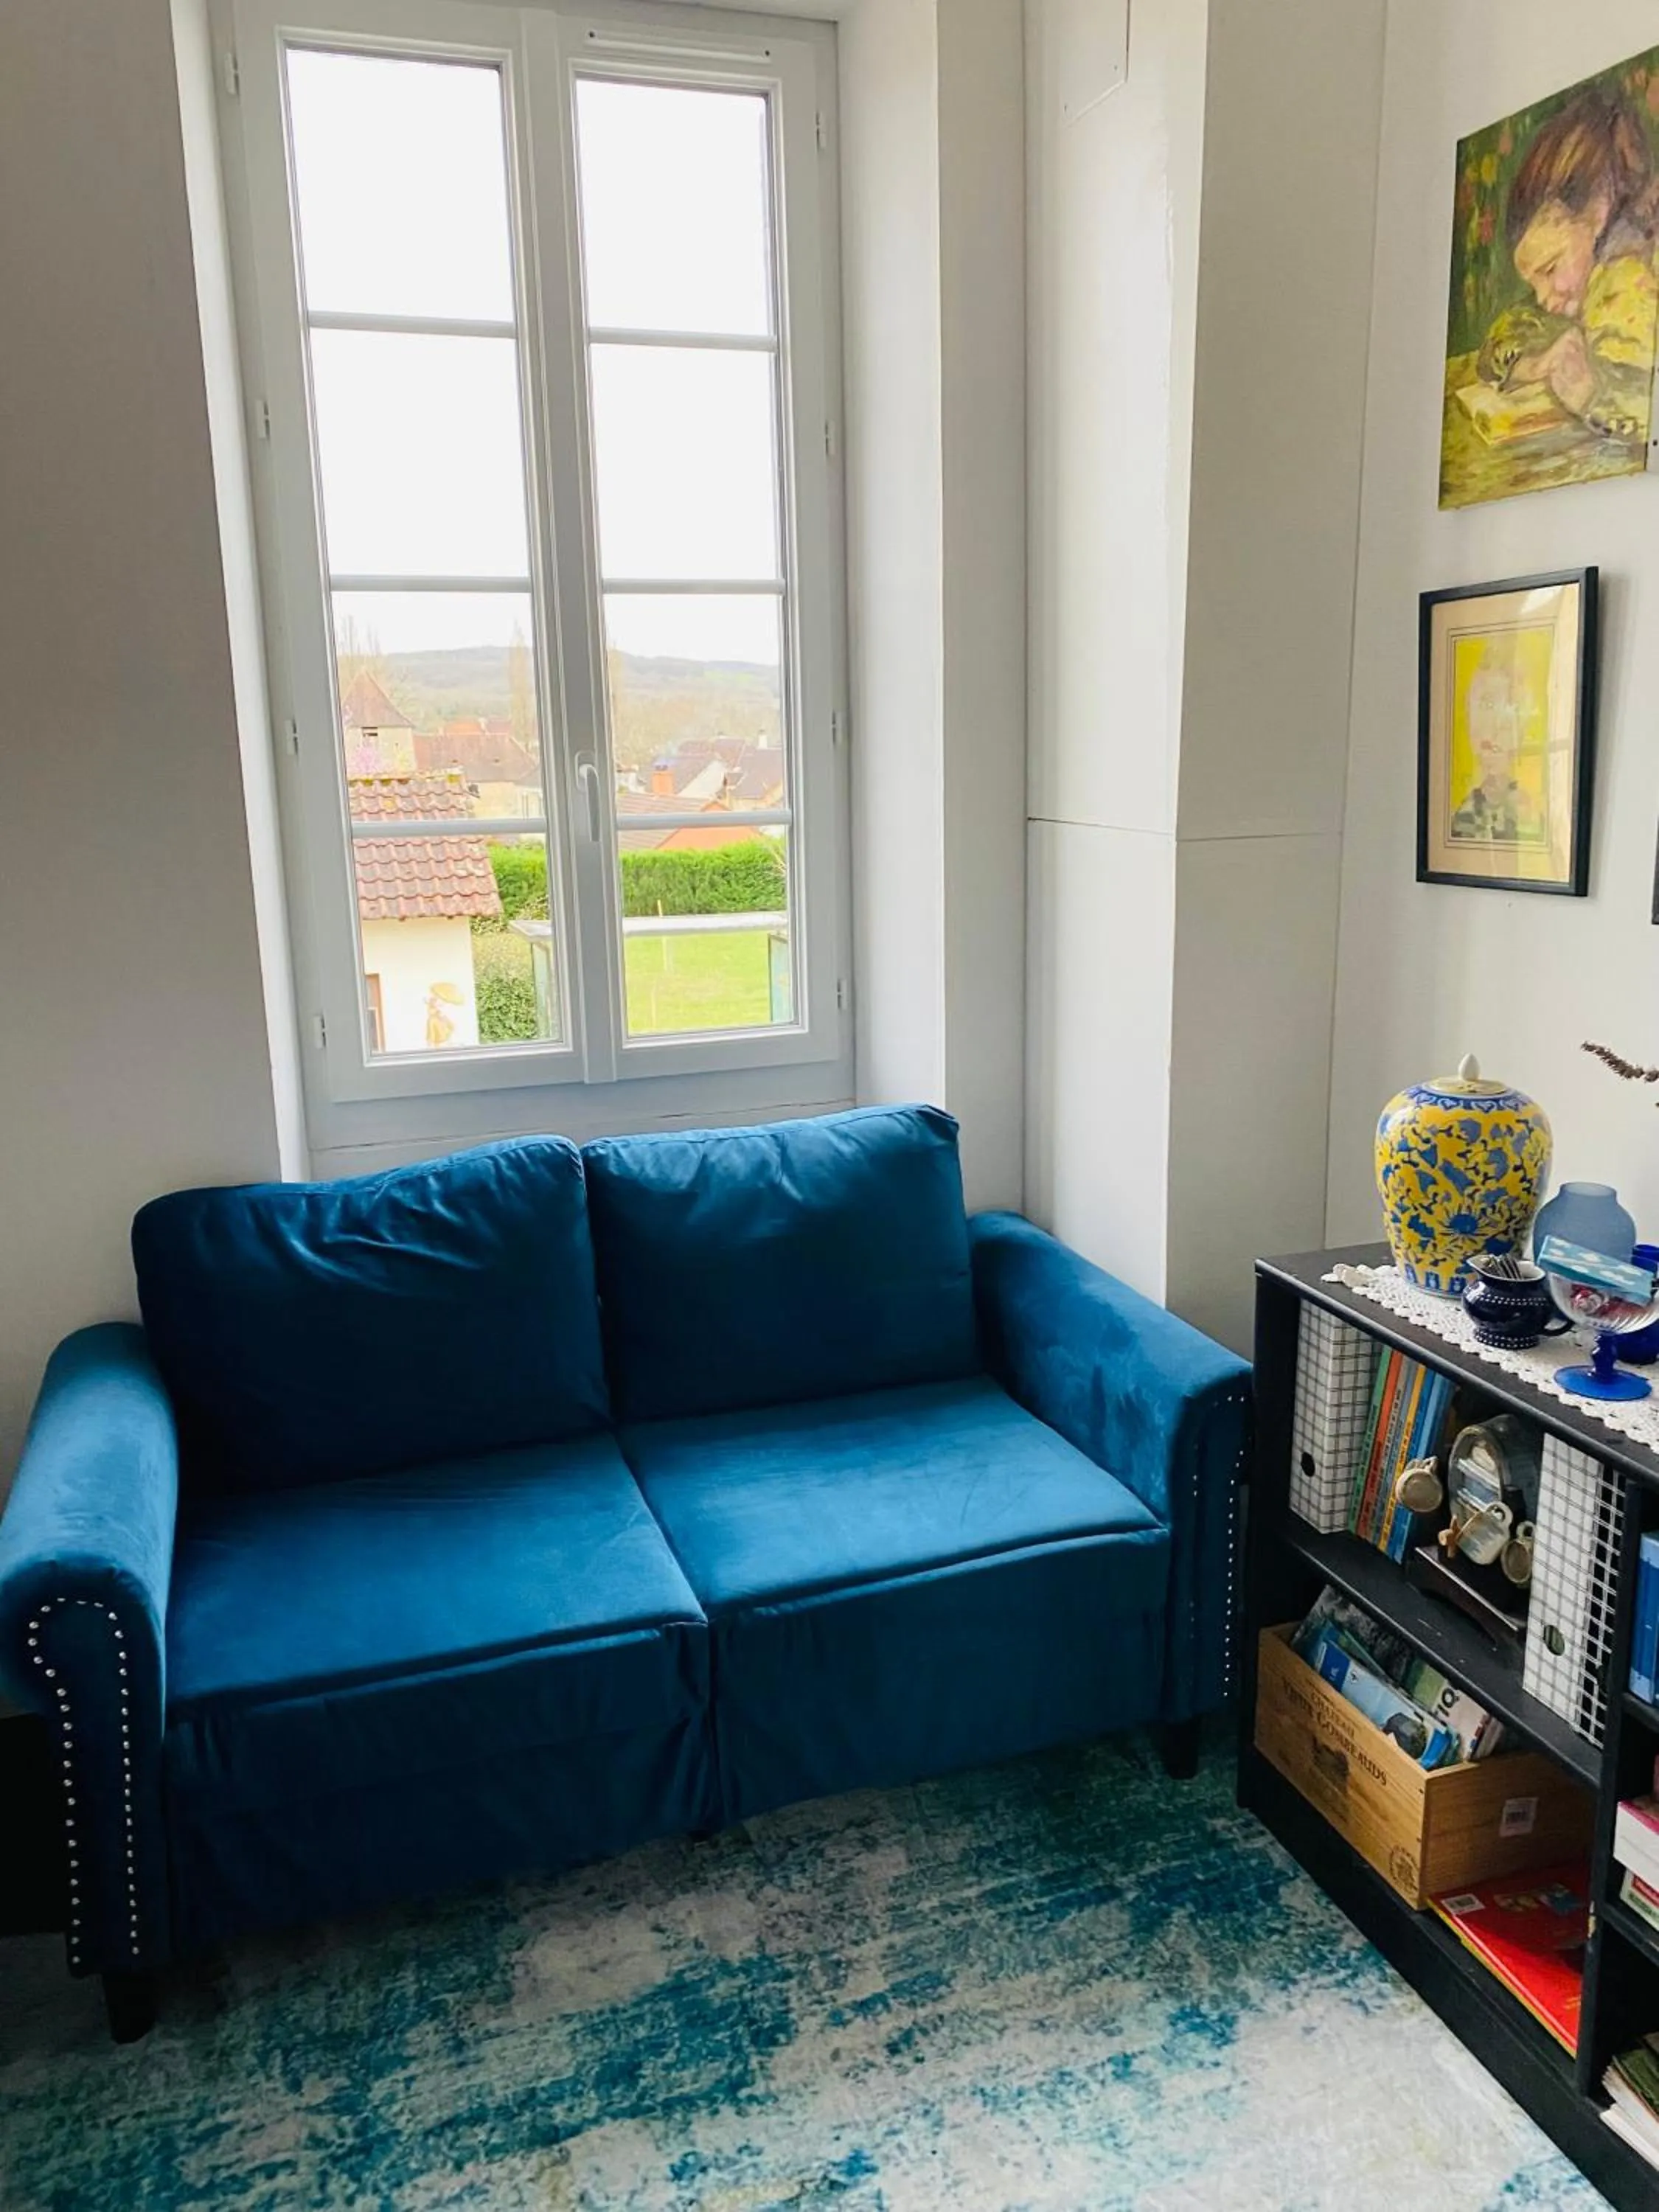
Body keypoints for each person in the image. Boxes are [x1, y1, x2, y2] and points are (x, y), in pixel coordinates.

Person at [1477, 86, 1659, 441]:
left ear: (1597, 212)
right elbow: (1496, 346)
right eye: (1534, 283)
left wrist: (1593, 397)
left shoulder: (1632, 283)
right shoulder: (1582, 283)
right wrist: (1532, 365)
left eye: (1549, 269)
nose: (1544, 296)